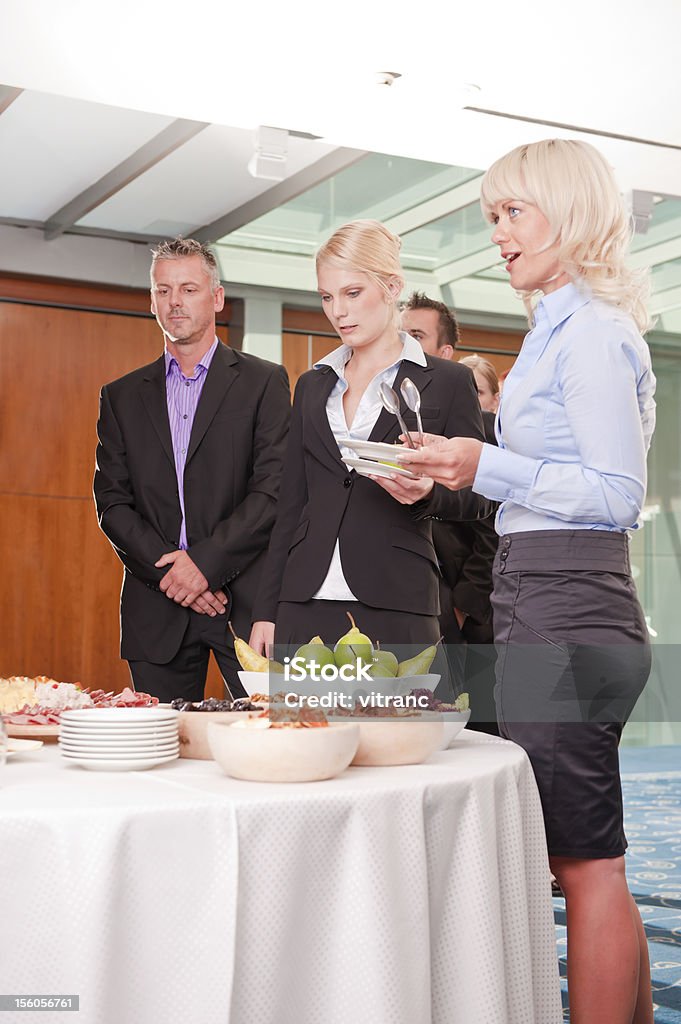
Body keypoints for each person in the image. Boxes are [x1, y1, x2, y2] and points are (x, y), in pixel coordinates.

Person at [401, 139, 656, 1023]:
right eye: (491, 218)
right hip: (541, 595)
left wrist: (486, 464)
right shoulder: (554, 327)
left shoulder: (588, 331)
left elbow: (617, 495)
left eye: (512, 213)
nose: (498, 235)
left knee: (583, 862)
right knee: (584, 855)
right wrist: (457, 466)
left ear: (567, 211)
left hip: (569, 601)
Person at [249, 220, 492, 659]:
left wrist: (428, 494)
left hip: (396, 598)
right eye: (327, 296)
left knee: (394, 728)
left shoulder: (449, 381)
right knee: (304, 727)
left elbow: (479, 493)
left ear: (392, 286)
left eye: (352, 293)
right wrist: (267, 609)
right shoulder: (311, 384)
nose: (338, 311)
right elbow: (290, 504)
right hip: (304, 601)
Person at [94, 237, 291, 702]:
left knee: (264, 744)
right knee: (159, 748)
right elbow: (113, 504)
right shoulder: (120, 396)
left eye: (188, 289)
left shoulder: (264, 382)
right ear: (152, 300)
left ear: (216, 298)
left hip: (242, 605)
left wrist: (204, 566)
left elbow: (273, 491)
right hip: (156, 606)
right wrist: (174, 577)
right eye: (163, 291)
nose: (174, 302)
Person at [402, 293, 499, 731]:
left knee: (477, 731)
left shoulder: (486, 432)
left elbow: (493, 523)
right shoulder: (396, 417)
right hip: (411, 607)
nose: (405, 343)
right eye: (401, 334)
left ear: (445, 355)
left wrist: (461, 607)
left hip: (464, 614)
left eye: (416, 336)